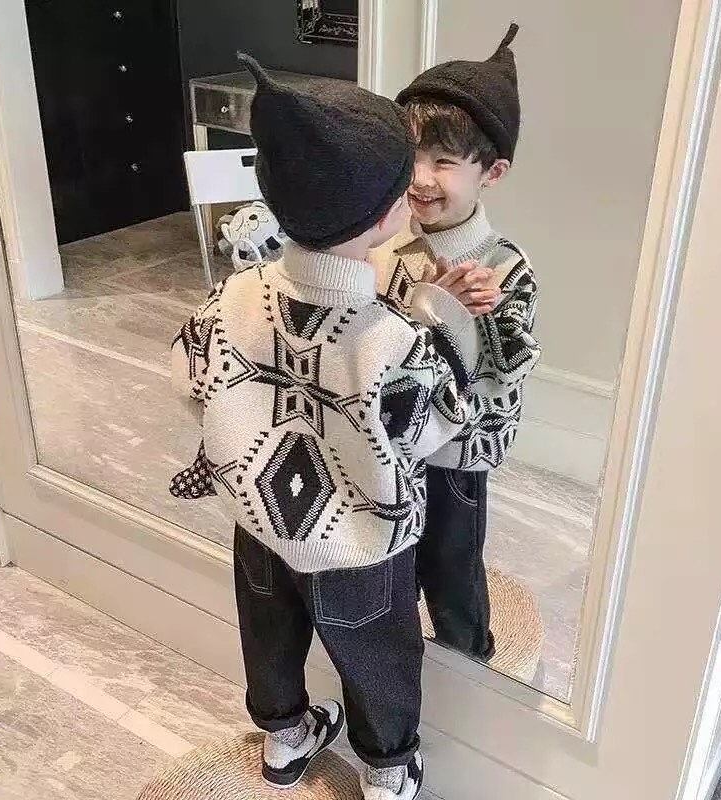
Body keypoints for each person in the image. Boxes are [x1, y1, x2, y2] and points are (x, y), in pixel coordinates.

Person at [170, 52, 500, 800]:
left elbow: (189, 381)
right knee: (377, 654)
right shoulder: (393, 340)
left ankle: (285, 738)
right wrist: (439, 321)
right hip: (362, 546)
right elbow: (438, 430)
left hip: (259, 524)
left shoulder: (230, 298)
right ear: (385, 217)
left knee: (269, 637)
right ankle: (387, 768)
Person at [372, 23, 542, 662]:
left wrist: (473, 318)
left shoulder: (503, 267)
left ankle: (469, 654)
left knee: (453, 558)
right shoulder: (386, 244)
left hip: (457, 450)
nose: (420, 178)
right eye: (412, 156)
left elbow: (504, 372)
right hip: (392, 439)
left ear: (491, 172)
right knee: (392, 548)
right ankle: (397, 651)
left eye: (443, 161)